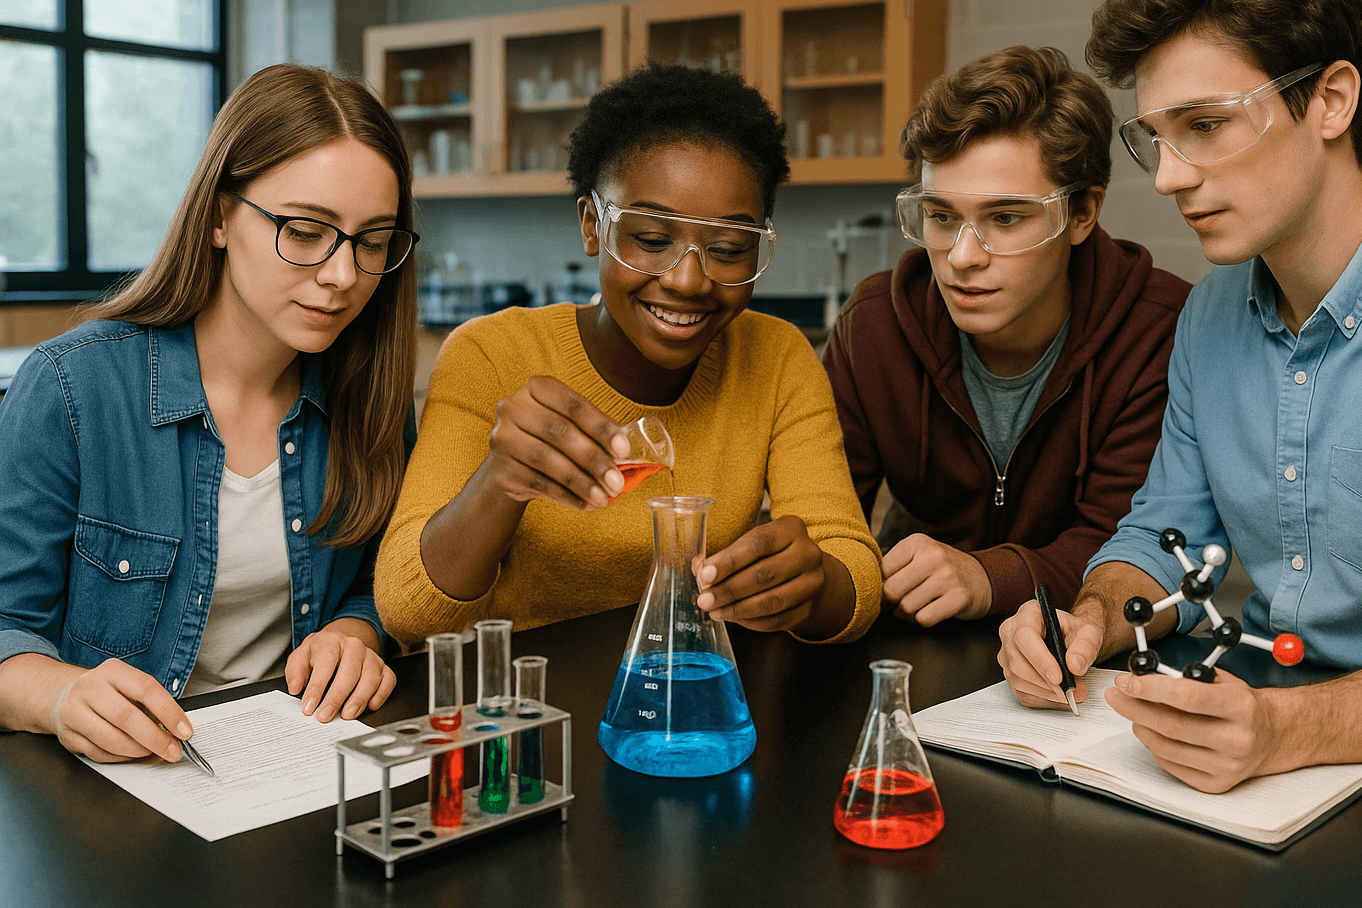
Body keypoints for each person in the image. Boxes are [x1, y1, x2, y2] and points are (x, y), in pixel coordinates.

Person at [998, 0, 1362, 792]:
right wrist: (1091, 619)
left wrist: (1288, 729)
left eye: (1205, 126)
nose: (1169, 177)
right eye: (1158, 137)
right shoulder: (1210, 315)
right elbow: (1170, 541)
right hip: (1258, 739)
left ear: (1330, 100)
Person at [376, 62, 882, 645]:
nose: (689, 280)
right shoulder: (491, 355)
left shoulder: (777, 358)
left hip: (691, 703)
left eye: (728, 247)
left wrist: (812, 585)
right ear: (593, 225)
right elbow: (405, 611)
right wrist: (499, 483)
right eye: (651, 240)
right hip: (526, 708)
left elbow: (855, 572)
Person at [0, 63, 419, 765]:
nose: (343, 275)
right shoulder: (72, 389)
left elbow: (387, 577)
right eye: (306, 231)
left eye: (372, 241)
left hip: (295, 774)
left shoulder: (370, 395)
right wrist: (61, 696)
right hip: (114, 801)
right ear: (221, 216)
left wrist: (359, 631)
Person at [822, 46, 1189, 626]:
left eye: (1006, 219)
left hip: (1090, 651)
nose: (963, 258)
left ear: (1083, 213)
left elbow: (1133, 547)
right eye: (941, 217)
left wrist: (988, 576)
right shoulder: (873, 326)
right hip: (918, 641)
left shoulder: (1159, 332)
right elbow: (828, 524)